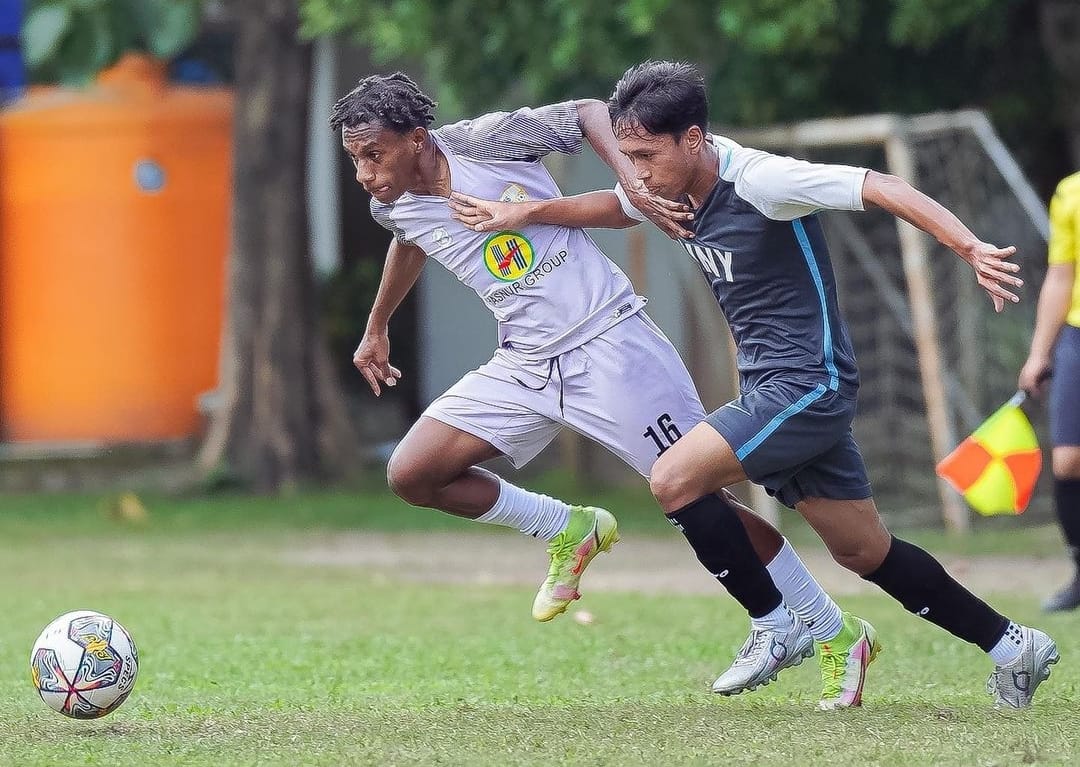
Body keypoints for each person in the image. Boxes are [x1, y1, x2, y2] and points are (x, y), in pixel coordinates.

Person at [448, 60, 1060, 709]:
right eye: (626, 155)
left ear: (693, 139)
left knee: (674, 477)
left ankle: (776, 626)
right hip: (774, 385)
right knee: (863, 550)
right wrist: (531, 212)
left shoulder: (762, 180)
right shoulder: (672, 187)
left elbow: (879, 184)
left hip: (806, 383)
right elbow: (618, 205)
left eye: (646, 155)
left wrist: (968, 248)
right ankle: (1013, 645)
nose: (638, 170)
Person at [330, 72, 869, 707]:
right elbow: (408, 238)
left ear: (416, 138)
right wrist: (376, 327)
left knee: (700, 497)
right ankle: (568, 527)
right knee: (414, 472)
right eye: (354, 159)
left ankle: (832, 631)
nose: (364, 173)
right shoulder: (390, 202)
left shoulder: (483, 141)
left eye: (373, 154)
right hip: (525, 361)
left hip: (610, 344)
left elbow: (589, 111)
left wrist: (634, 181)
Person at [1019, 170, 1080, 611]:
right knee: (1068, 459)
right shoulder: (1070, 191)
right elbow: (1061, 276)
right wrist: (1040, 352)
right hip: (1077, 335)